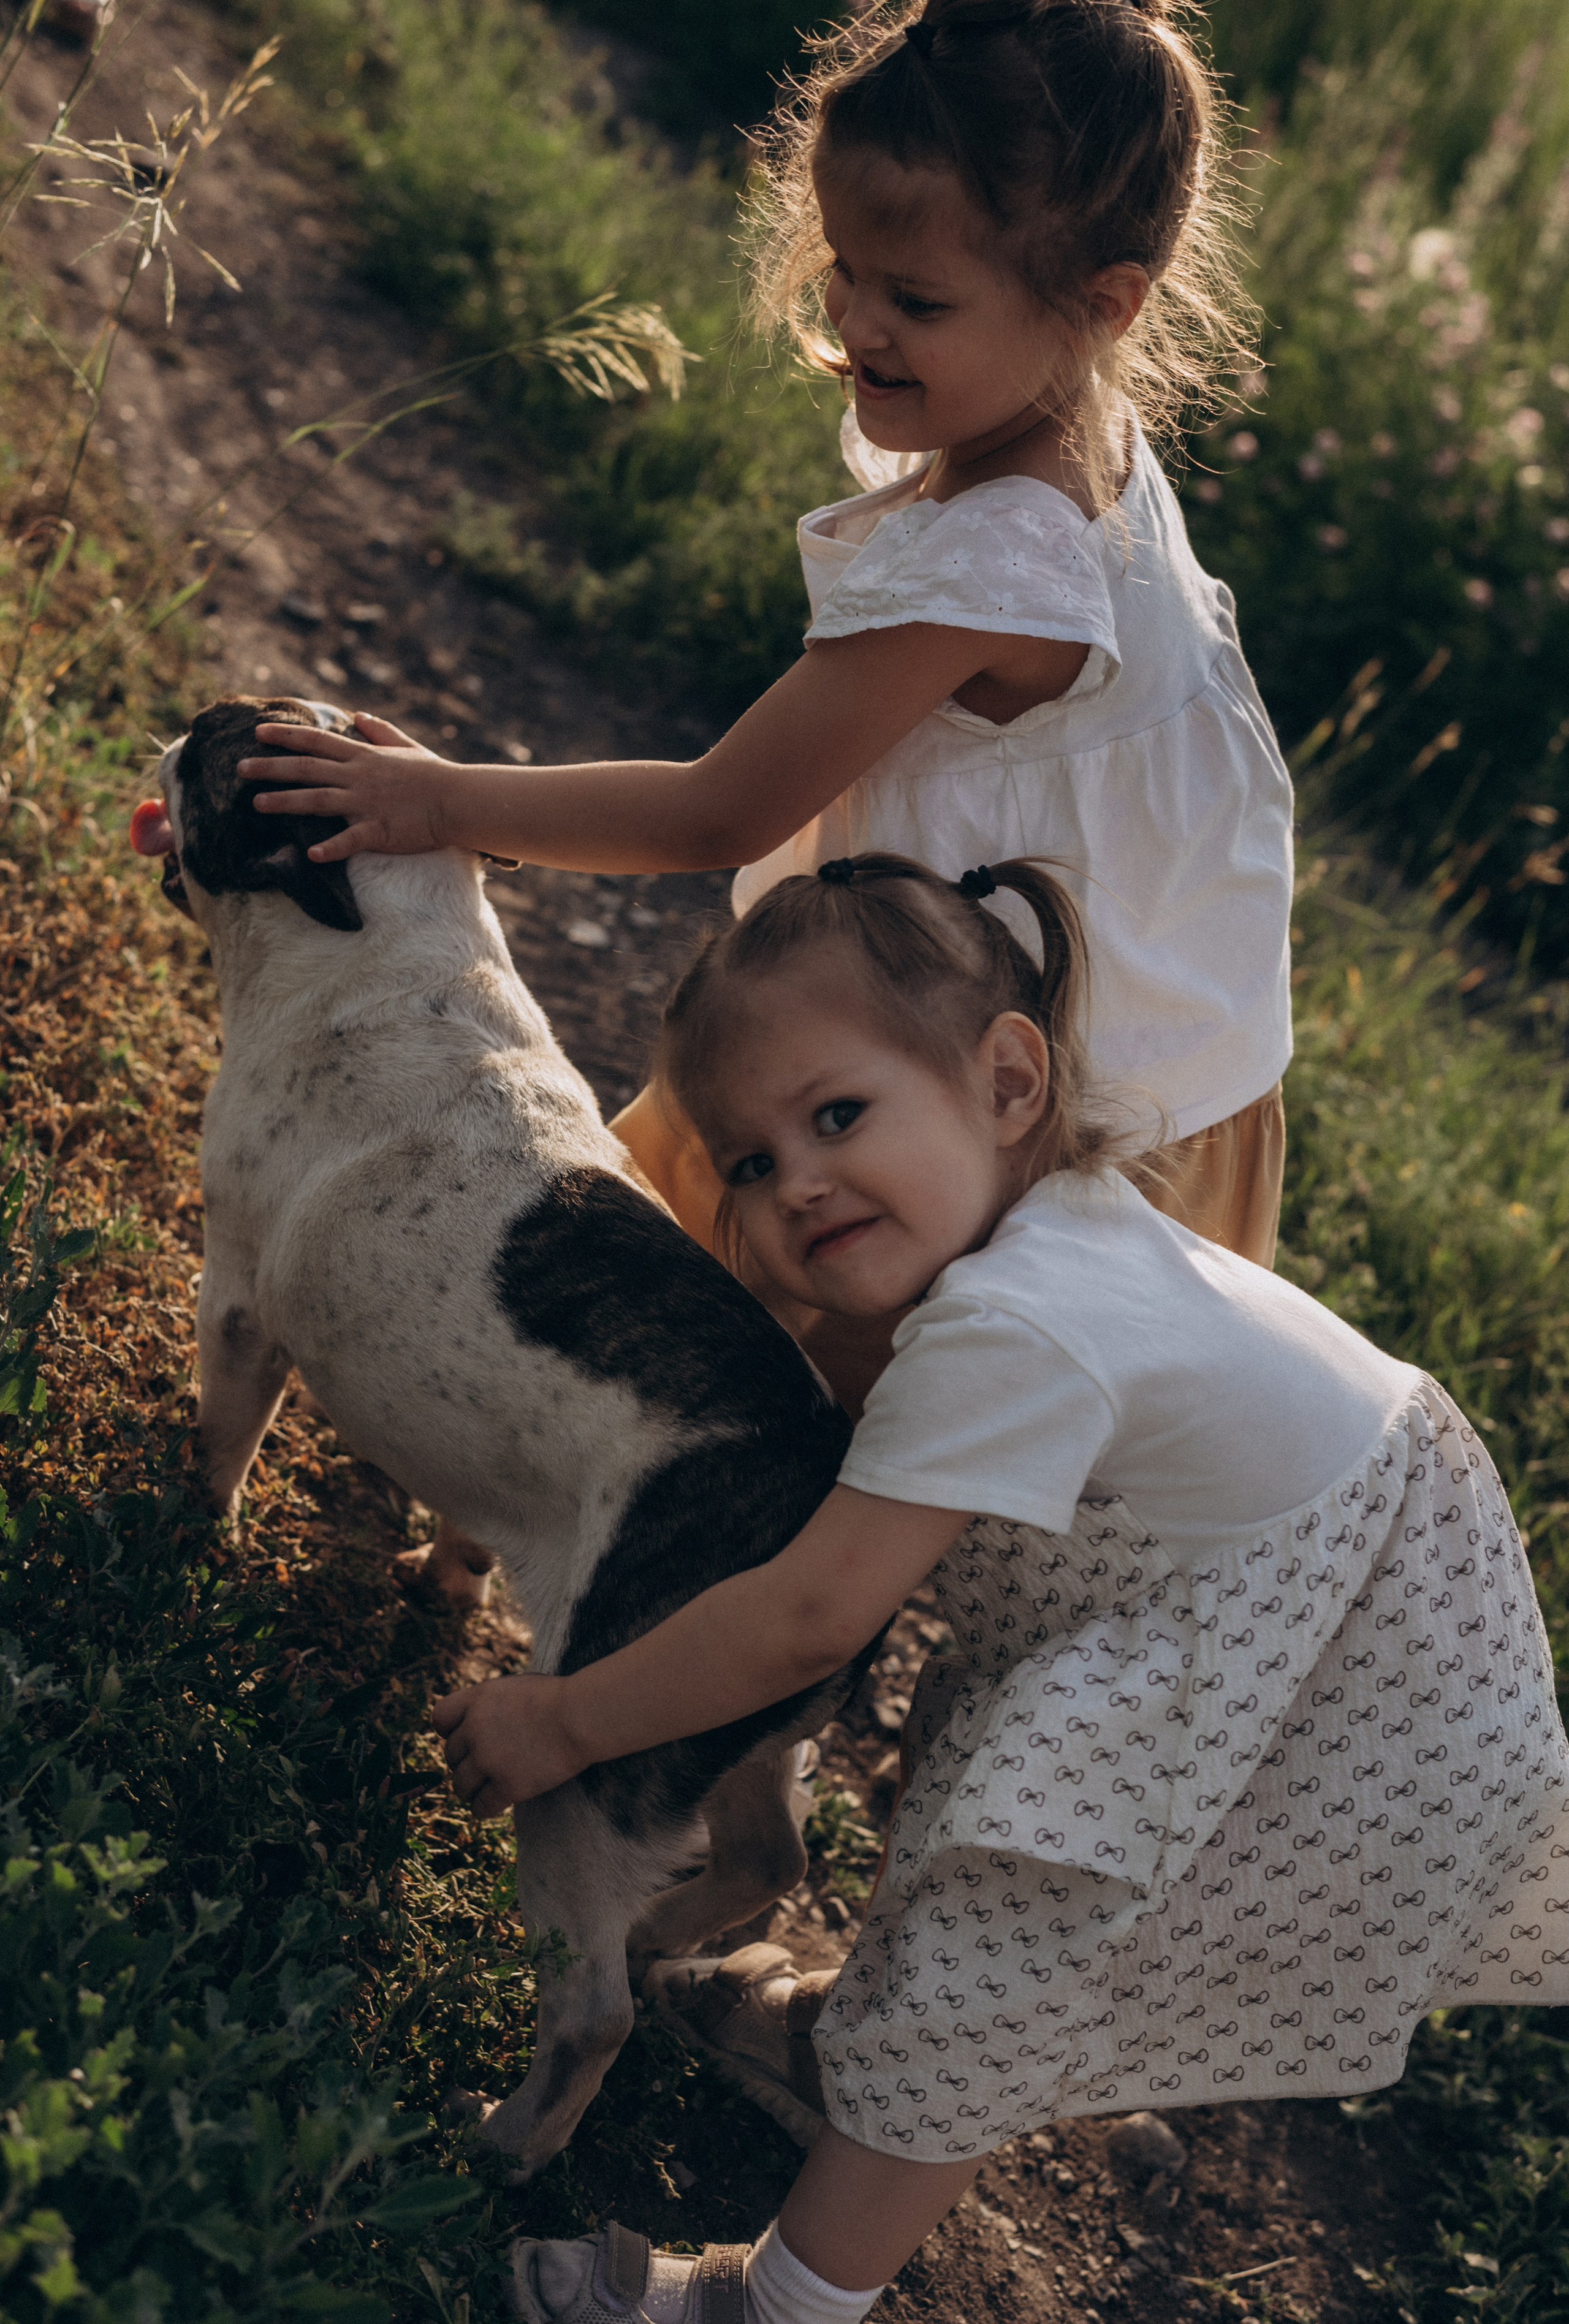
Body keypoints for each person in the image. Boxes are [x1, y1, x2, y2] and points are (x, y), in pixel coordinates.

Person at [434, 854, 1569, 2324]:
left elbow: (805, 1613)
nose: (797, 1184)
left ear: (1009, 1081)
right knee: (978, 1880)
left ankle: (781, 2301)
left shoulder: (1010, 1329)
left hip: (1320, 1696)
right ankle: (851, 2045)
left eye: (836, 1115)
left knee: (992, 1973)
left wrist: (567, 1718)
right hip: (1336, 1610)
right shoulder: (1068, 1231)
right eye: (750, 1163)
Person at [236, 0, 1294, 1413]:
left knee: (814, 1402)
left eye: (914, 297)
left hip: (1013, 1118)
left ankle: (643, 1521)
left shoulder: (1002, 551)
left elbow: (717, 812)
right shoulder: (1079, 440)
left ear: (1102, 307)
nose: (855, 319)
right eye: (846, 264)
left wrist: (439, 803)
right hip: (1136, 1056)